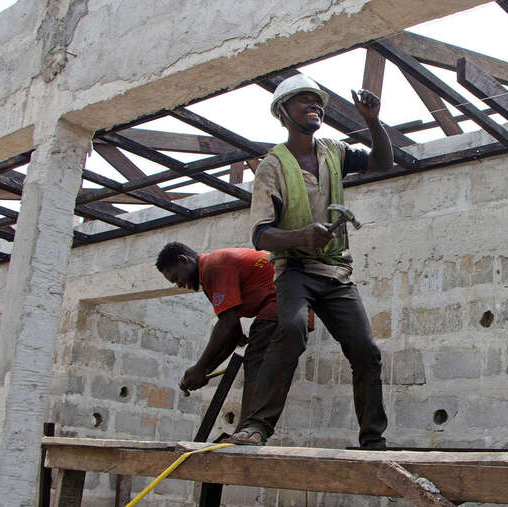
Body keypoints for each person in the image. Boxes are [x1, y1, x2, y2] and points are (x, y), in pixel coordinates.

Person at [236, 73, 394, 449]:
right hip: (296, 270)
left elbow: (383, 163)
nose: (314, 106)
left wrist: (372, 120)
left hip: (336, 273)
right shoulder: (272, 166)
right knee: (290, 329)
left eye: (317, 101)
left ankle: (373, 440)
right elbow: (261, 235)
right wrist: (300, 237)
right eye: (304, 100)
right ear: (283, 113)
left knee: (366, 351)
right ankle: (258, 425)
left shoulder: (333, 151)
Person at [155, 242, 302, 440]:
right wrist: (204, 370)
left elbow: (227, 324)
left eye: (176, 278)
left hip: (283, 302)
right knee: (255, 363)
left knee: (256, 364)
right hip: (285, 302)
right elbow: (232, 334)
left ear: (183, 260)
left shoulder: (213, 266)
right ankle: (246, 429)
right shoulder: (210, 274)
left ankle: (247, 431)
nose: (179, 284)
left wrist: (200, 368)